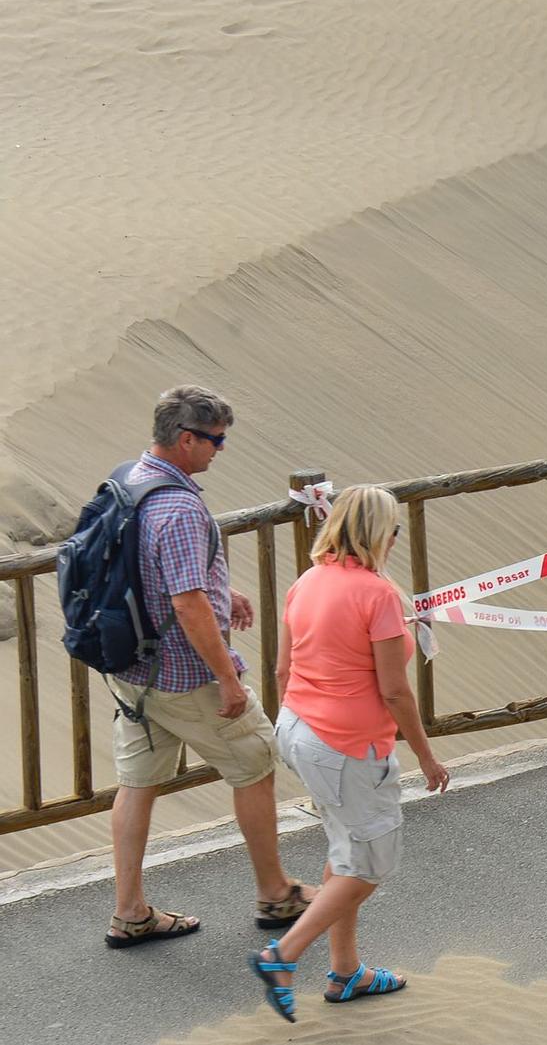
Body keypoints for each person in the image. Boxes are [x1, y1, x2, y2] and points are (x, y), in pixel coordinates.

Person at [106, 385, 318, 949]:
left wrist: (221, 589)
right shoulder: (176, 506)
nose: (219, 451)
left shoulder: (129, 479)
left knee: (137, 782)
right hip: (183, 673)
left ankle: (129, 912)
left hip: (130, 670)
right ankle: (276, 894)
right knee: (254, 760)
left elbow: (149, 570)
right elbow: (184, 603)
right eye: (215, 441)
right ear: (185, 439)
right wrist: (227, 676)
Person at [248, 485, 449, 1022]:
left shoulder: (307, 581)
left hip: (299, 729)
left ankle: (346, 971)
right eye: (394, 529)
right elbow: (394, 690)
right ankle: (282, 956)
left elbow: (281, 670)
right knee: (371, 864)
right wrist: (427, 758)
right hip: (346, 746)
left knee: (346, 847)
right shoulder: (376, 595)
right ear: (379, 533)